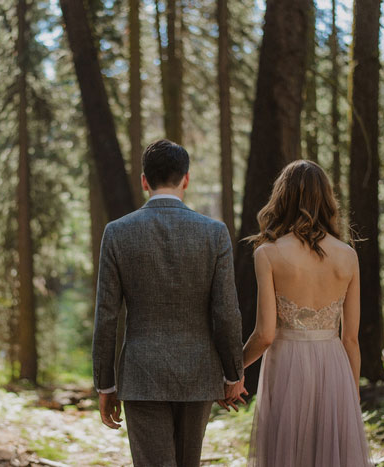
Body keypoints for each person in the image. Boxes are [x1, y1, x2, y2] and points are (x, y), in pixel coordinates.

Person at [92, 139, 245, 467]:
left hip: (142, 374)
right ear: (185, 179)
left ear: (144, 181)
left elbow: (106, 315)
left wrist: (105, 383)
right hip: (198, 372)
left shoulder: (117, 233)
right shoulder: (214, 233)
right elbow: (226, 312)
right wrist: (233, 374)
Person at [240, 159, 372, 466]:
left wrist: (234, 370)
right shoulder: (348, 256)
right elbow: (350, 338)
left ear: (281, 198)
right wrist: (351, 393)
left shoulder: (268, 254)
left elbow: (264, 334)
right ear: (327, 199)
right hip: (335, 366)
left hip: (287, 365)